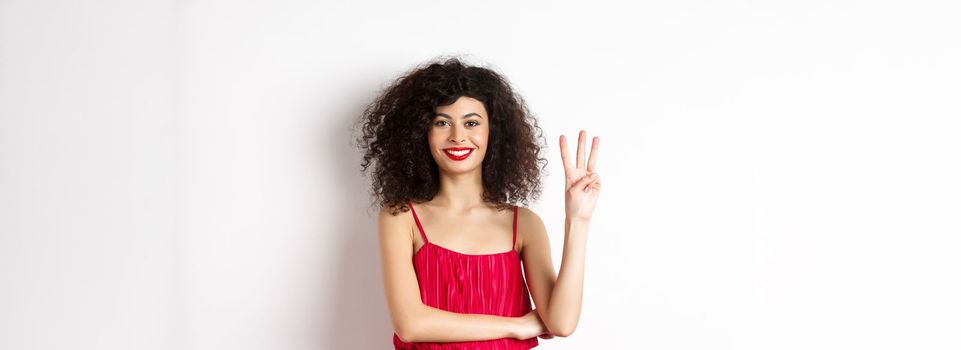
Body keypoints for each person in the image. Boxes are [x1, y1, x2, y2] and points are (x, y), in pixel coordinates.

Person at [356, 56, 601, 349]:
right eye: (441, 122)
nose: (458, 136)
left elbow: (561, 323)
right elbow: (410, 325)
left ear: (492, 132)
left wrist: (578, 220)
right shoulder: (401, 218)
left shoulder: (523, 224)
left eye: (471, 122)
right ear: (422, 133)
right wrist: (518, 325)